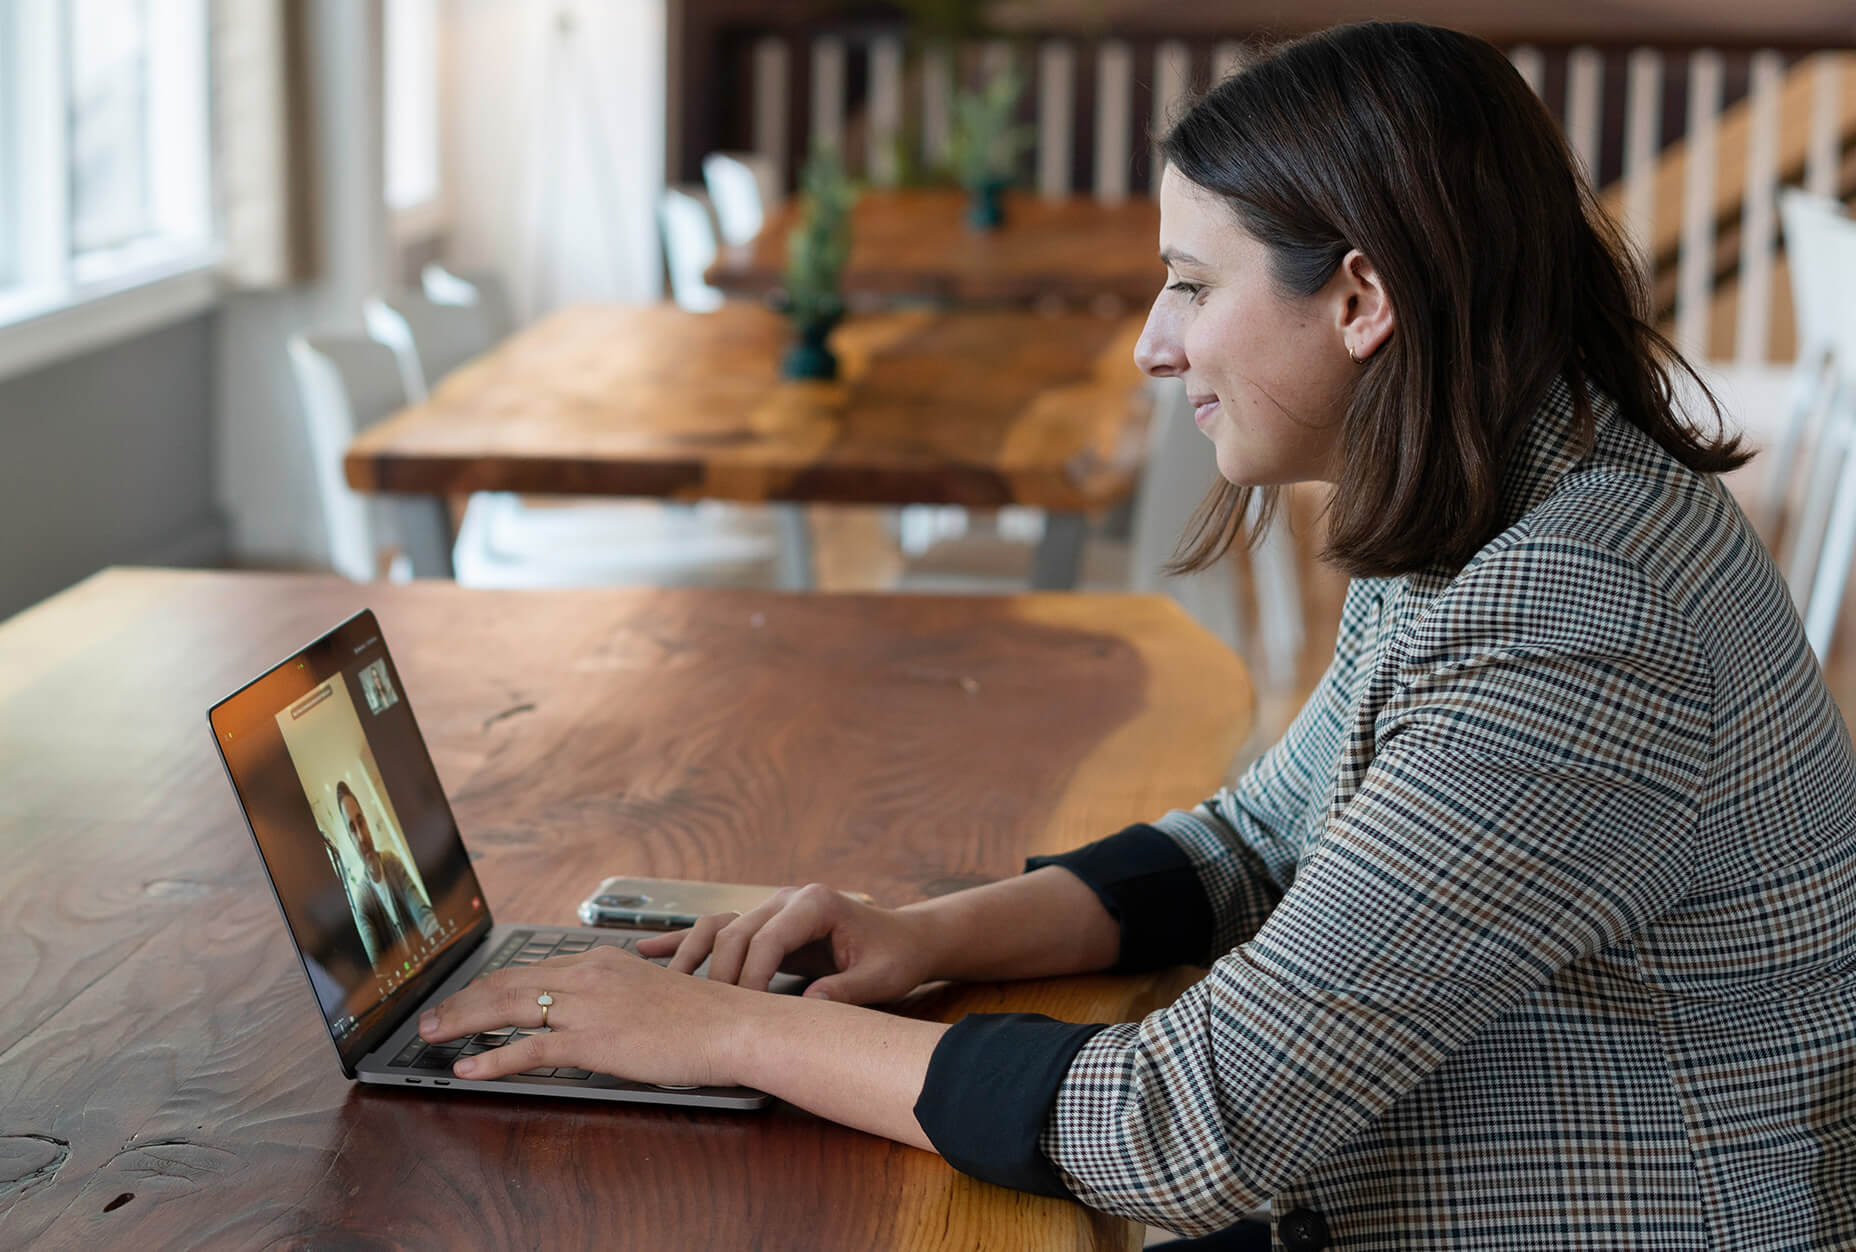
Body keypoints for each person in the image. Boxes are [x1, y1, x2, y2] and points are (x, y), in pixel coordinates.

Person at [417, 22, 1856, 1249]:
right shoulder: (1508, 491)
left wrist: (723, 1039)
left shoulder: (1582, 615)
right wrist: (922, 937)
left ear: (1361, 299)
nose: (1151, 345)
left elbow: (1190, 1122)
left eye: (1192, 281)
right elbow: (1257, 840)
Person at [335, 779, 439, 968]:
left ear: (367, 821)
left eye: (361, 822)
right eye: (352, 828)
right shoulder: (362, 901)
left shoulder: (392, 862)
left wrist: (441, 936)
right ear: (350, 838)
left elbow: (423, 914)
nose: (361, 836)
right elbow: (378, 967)